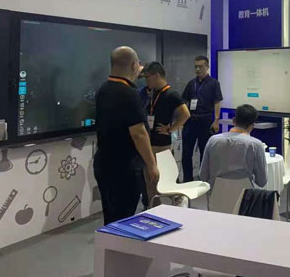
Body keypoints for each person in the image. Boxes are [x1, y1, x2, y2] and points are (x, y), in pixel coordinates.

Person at [93, 47, 159, 225]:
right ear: (134, 65)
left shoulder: (103, 90)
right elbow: (139, 133)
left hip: (104, 164)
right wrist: (152, 164)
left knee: (111, 216)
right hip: (124, 168)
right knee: (124, 217)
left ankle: (110, 242)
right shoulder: (129, 94)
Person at [142, 62, 190, 205]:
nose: (146, 81)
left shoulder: (171, 94)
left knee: (163, 180)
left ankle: (179, 201)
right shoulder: (152, 93)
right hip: (149, 143)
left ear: (156, 76)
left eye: (147, 77)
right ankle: (153, 208)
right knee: (150, 182)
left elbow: (185, 114)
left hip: (161, 145)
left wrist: (170, 129)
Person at [199, 104, 267, 189]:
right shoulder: (256, 145)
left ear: (233, 120)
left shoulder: (213, 141)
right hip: (245, 195)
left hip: (216, 195)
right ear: (252, 125)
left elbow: (203, 176)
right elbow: (262, 181)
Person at [181, 56, 223, 183]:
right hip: (191, 121)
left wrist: (216, 120)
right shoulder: (191, 83)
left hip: (206, 121)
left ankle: (203, 180)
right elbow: (184, 101)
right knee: (186, 153)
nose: (198, 69)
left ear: (207, 67)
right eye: (196, 67)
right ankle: (187, 180)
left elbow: (217, 102)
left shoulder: (214, 83)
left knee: (205, 152)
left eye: (200, 66)